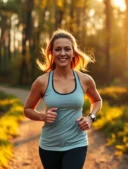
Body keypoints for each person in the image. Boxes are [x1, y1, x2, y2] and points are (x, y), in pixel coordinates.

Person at [23, 29, 102, 169]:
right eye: (58, 49)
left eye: (67, 49)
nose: (63, 53)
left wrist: (91, 117)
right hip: (49, 145)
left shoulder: (85, 80)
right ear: (51, 53)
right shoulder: (42, 82)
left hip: (77, 143)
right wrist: (43, 116)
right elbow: (27, 109)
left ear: (73, 52)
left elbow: (97, 101)